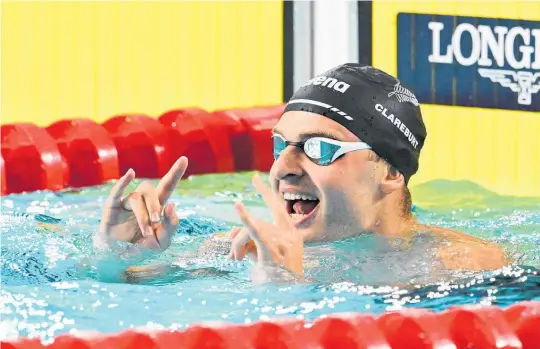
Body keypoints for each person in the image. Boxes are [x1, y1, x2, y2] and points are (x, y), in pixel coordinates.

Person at [95, 63, 509, 283]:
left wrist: (286, 294)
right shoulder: (247, 247)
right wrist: (121, 251)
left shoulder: (464, 266)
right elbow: (121, 286)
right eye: (280, 145)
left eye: (319, 148)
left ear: (389, 172)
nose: (282, 169)